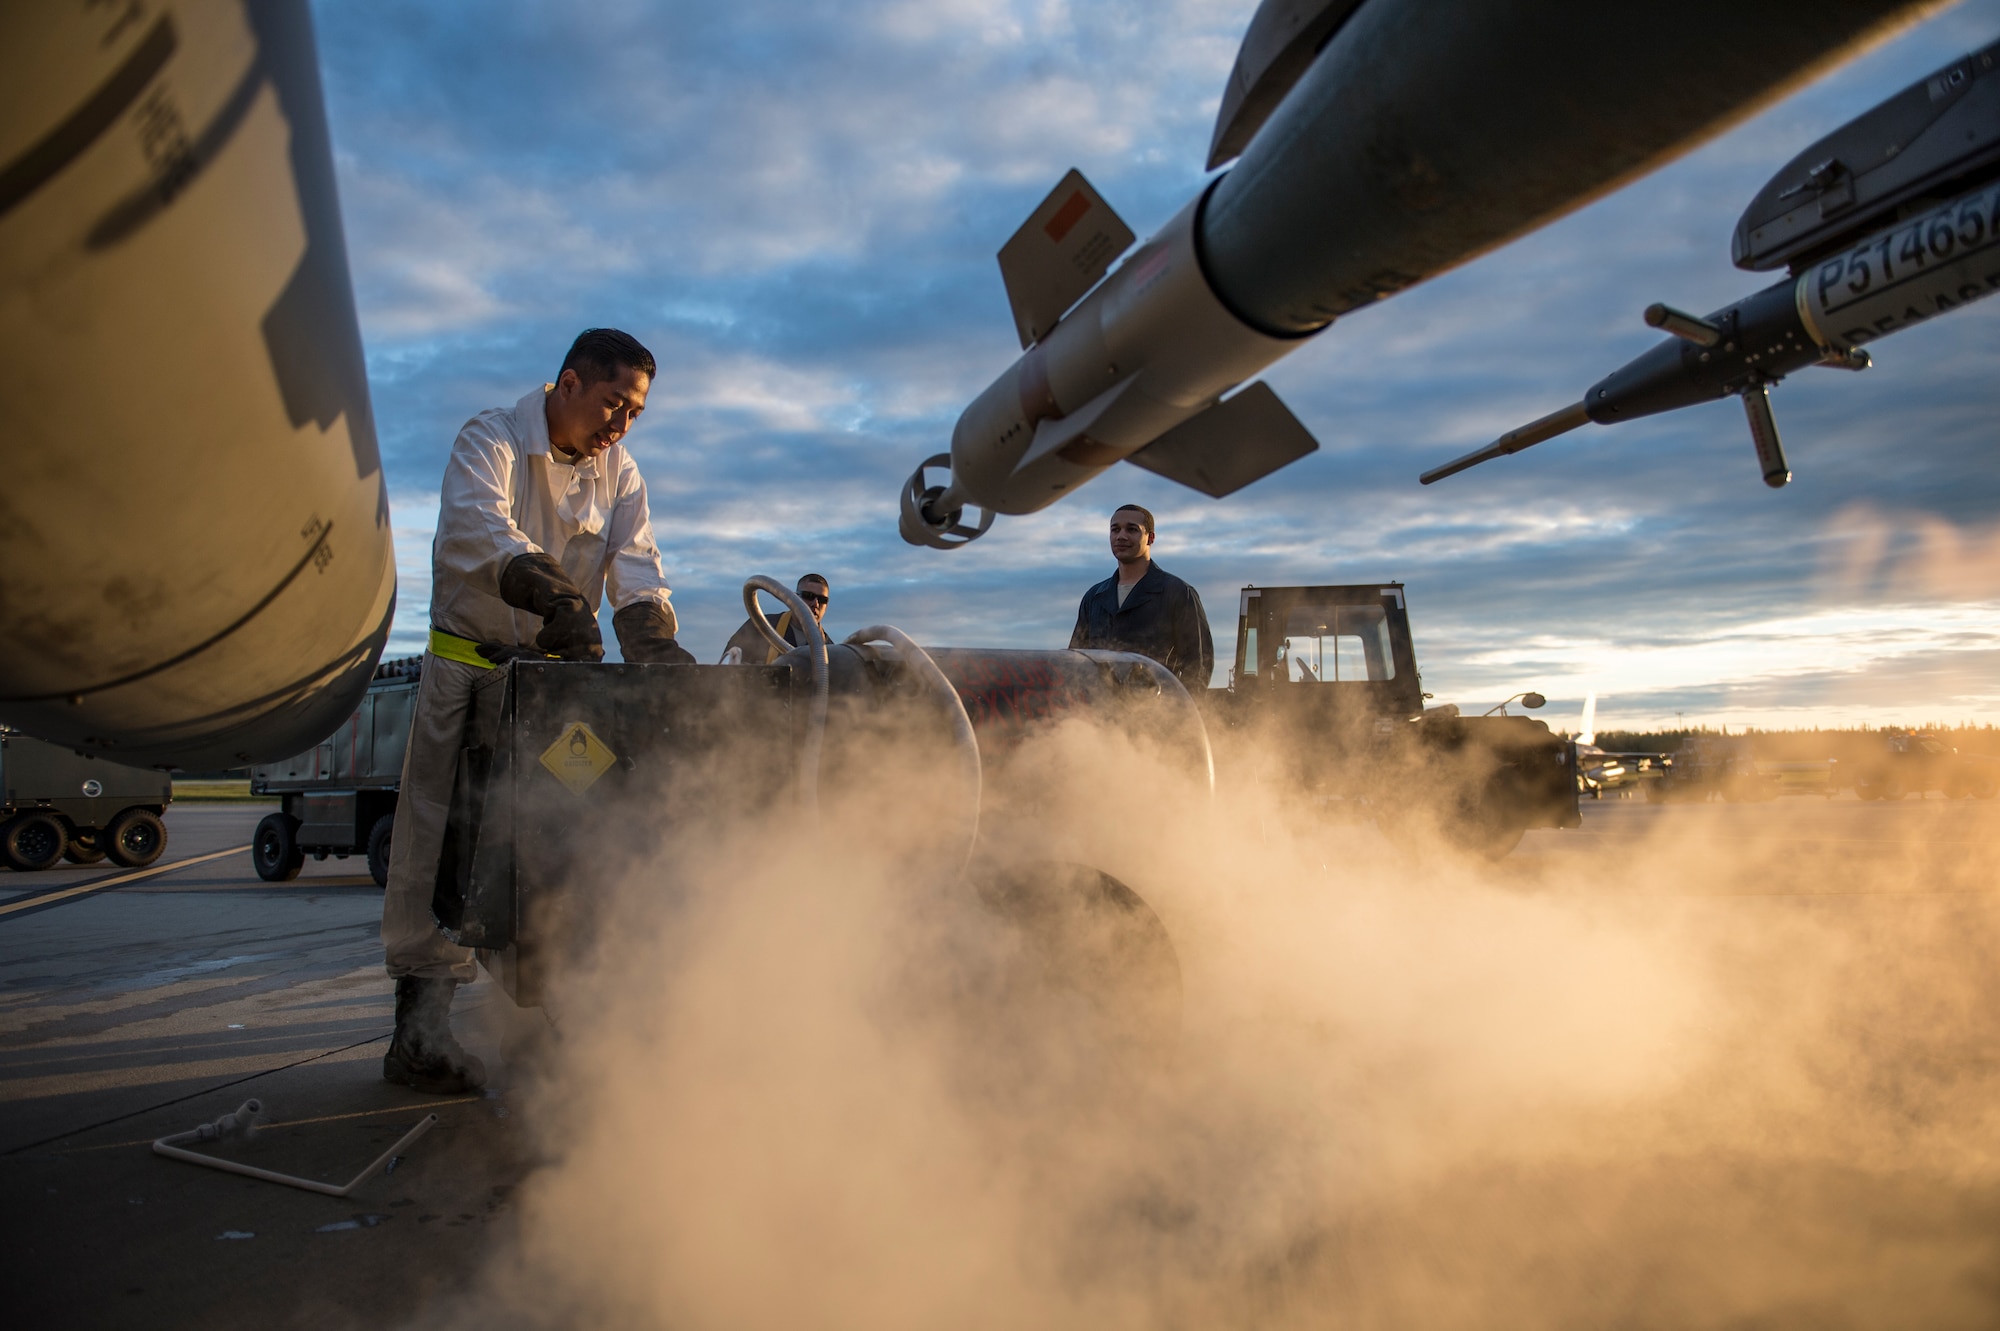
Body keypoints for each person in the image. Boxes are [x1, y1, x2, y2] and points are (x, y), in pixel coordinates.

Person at [381, 328, 694, 1095]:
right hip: (469, 671)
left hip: (551, 690)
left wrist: (651, 636)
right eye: (614, 402)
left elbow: (636, 561)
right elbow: (475, 527)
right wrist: (551, 590)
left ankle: (557, 1017)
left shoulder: (620, 474)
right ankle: (418, 1035)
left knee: (557, 836)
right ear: (568, 382)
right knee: (438, 843)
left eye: (636, 412)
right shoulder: (490, 439)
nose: (622, 423)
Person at [1068, 503, 1213, 693]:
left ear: (1150, 537)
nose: (1121, 536)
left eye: (1132, 529)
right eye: (1115, 529)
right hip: (1101, 714)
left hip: (1156, 712)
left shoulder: (1177, 593)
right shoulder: (1094, 598)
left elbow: (1198, 664)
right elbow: (1076, 661)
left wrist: (1177, 714)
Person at [722, 573, 832, 662]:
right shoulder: (761, 626)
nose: (816, 604)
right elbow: (727, 664)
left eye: (822, 600)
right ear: (795, 597)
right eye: (809, 596)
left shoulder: (830, 649)